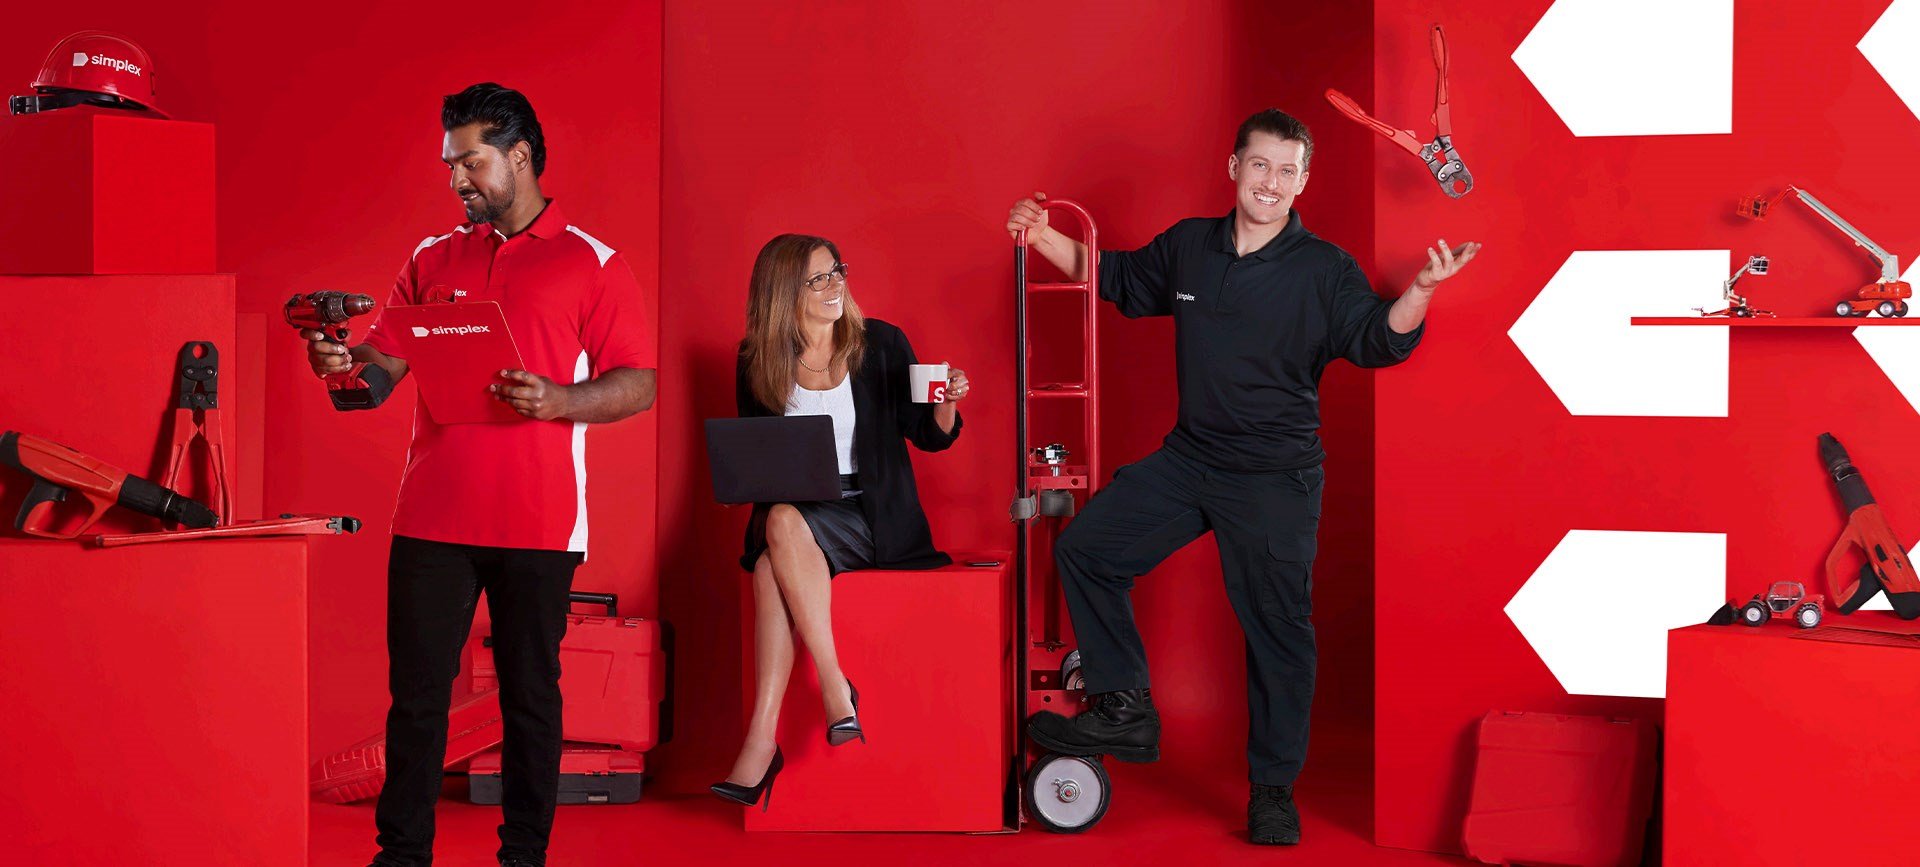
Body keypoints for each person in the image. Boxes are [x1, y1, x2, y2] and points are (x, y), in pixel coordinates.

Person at [1005, 108, 1478, 846]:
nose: (1273, 183)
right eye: (1261, 166)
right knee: (1087, 547)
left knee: (1279, 635)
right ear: (1234, 169)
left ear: (1303, 182)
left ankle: (1273, 790)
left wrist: (1421, 290)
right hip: (1192, 458)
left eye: (1288, 171)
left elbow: (1376, 339)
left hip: (1276, 477)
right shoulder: (1192, 247)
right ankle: (1125, 705)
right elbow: (1118, 277)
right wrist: (1044, 236)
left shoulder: (1323, 268)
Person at [303, 82, 657, 867]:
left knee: (530, 696)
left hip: (538, 518)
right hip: (431, 517)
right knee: (417, 699)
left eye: (471, 161)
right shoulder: (432, 258)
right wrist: (337, 362)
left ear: (520, 157)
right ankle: (401, 856)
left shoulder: (593, 262)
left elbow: (640, 381)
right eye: (450, 163)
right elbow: (375, 377)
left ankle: (523, 856)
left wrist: (563, 398)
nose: (457, 178)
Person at [709, 234, 969, 810]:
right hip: (799, 513)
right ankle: (823, 700)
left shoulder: (881, 344)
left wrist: (946, 401)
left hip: (873, 515)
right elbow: (756, 455)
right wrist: (738, 481)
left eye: (837, 272)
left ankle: (782, 724)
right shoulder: (757, 358)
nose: (835, 286)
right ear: (783, 293)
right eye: (818, 279)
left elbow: (929, 435)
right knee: (778, 528)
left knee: (772, 554)